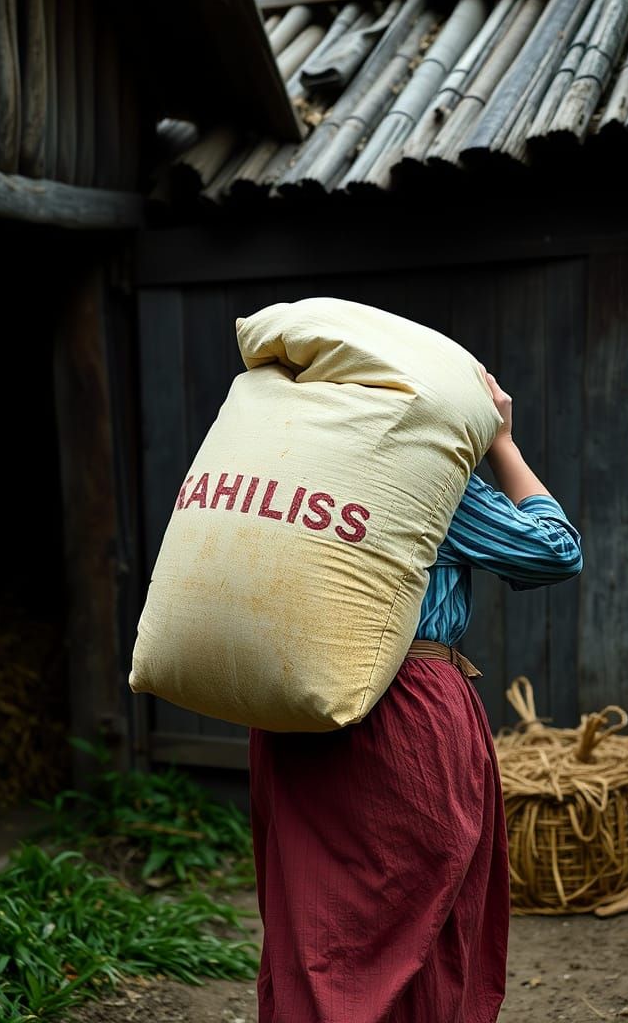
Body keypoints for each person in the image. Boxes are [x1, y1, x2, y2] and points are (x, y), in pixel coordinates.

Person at [249, 370, 583, 1022]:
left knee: (313, 917)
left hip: (291, 707)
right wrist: (503, 444)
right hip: (406, 719)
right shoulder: (423, 479)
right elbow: (555, 551)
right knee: (423, 924)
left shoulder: (273, 477)